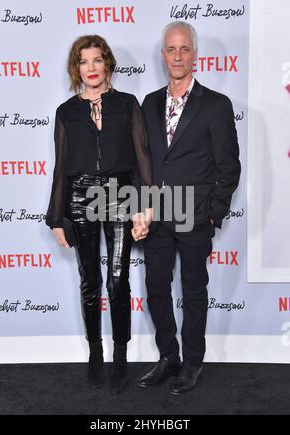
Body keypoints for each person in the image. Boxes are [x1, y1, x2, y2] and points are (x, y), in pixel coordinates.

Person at [137, 21, 241, 395]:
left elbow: (229, 166)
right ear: (163, 54)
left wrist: (214, 211)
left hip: (195, 216)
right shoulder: (148, 104)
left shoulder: (216, 104)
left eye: (184, 49)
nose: (177, 56)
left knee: (194, 290)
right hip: (158, 215)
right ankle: (169, 356)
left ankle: (193, 361)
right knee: (155, 287)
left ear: (195, 54)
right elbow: (144, 162)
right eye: (170, 49)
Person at [45, 35, 152, 394]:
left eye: (97, 60)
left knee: (118, 280)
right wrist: (56, 217)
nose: (91, 68)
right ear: (77, 68)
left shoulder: (127, 104)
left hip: (121, 194)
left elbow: (141, 159)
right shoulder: (67, 111)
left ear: (107, 63)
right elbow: (61, 167)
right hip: (79, 196)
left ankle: (120, 355)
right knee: (89, 280)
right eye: (83, 62)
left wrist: (145, 205)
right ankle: (95, 354)